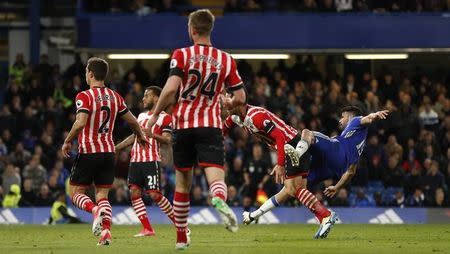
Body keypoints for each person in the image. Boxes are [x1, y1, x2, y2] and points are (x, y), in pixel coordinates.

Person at [146, 9, 247, 250]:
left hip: (183, 126)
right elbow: (241, 97)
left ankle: (181, 239)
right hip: (211, 126)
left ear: (191, 30)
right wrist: (229, 103)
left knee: (182, 185)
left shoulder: (182, 55)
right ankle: (220, 200)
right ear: (211, 29)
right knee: (215, 176)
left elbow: (170, 89)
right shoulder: (226, 59)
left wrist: (156, 115)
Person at [61, 57, 146, 246]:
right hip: (108, 152)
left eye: (85, 71)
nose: (85, 74)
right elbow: (132, 121)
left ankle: (93, 210)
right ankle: (106, 233)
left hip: (89, 151)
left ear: (90, 74)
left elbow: (81, 122)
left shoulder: (84, 96)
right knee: (102, 195)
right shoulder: (115, 97)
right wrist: (140, 135)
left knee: (76, 193)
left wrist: (67, 140)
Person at [223, 104, 335, 239]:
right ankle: (324, 217)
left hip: (291, 146)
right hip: (295, 144)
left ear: (239, 103)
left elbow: (279, 137)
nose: (225, 105)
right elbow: (226, 125)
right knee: (292, 191)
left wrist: (280, 164)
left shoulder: (256, 116)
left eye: (229, 100)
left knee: (292, 189)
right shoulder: (236, 116)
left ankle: (326, 215)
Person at [285, 106, 389, 197]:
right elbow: (351, 172)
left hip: (337, 152)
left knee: (307, 133)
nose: (340, 120)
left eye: (342, 117)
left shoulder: (355, 120)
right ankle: (322, 214)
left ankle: (297, 154)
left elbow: (368, 118)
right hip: (336, 169)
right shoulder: (358, 144)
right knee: (298, 186)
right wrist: (337, 187)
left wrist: (375, 114)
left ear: (349, 116)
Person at [115, 86, 177, 237]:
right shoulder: (141, 116)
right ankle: (147, 229)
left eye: (147, 95)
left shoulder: (165, 118)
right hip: (135, 161)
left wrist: (152, 135)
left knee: (154, 194)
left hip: (151, 160)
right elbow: (134, 136)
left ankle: (180, 224)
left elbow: (168, 139)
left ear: (156, 98)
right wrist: (117, 147)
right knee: (134, 192)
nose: (143, 98)